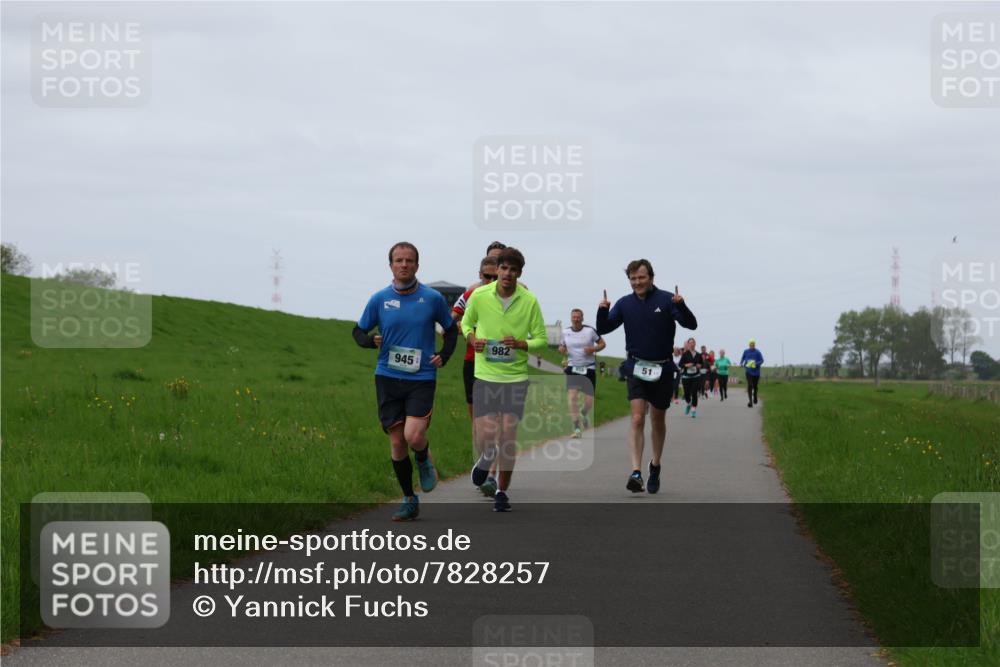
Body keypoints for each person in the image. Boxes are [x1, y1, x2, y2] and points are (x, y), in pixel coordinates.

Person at [353, 242, 458, 521]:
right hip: (387, 376)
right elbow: (358, 331)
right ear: (391, 265)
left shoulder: (433, 298)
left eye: (409, 261)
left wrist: (443, 356)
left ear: (417, 266)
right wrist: (368, 341)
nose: (404, 265)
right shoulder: (379, 299)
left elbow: (450, 331)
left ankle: (423, 456)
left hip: (421, 377)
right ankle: (409, 499)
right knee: (398, 443)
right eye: (398, 260)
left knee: (413, 435)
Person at [597, 259, 697, 494]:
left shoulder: (666, 300)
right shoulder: (624, 303)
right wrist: (602, 310)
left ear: (651, 277)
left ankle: (655, 464)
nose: (637, 282)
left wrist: (681, 305)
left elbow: (690, 325)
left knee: (657, 420)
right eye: (633, 279)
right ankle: (635, 471)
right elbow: (603, 328)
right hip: (636, 367)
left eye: (641, 277)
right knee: (637, 418)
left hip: (663, 368)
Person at [462, 247, 546, 512]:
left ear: (519, 274)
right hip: (486, 374)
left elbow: (542, 339)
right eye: (504, 268)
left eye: (513, 270)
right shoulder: (480, 296)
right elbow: (466, 324)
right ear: (497, 270)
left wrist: (522, 344)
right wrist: (472, 339)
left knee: (508, 436)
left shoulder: (529, 300)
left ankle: (501, 490)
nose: (508, 274)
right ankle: (486, 457)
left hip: (515, 376)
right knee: (487, 433)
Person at [452, 255, 498, 496]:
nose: (491, 280)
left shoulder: (516, 293)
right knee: (478, 424)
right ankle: (483, 464)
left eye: (495, 275)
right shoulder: (471, 293)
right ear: (480, 274)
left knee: (496, 423)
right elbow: (453, 318)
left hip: (500, 365)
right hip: (473, 362)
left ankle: (491, 475)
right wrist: (464, 331)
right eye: (486, 276)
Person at [558, 308, 606, 438]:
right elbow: (561, 346)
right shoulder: (565, 332)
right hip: (573, 367)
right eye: (574, 317)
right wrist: (561, 349)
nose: (576, 319)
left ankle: (584, 413)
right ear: (571, 318)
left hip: (588, 368)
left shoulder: (590, 331)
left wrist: (593, 349)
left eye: (578, 317)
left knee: (589, 402)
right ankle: (577, 428)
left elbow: (602, 344)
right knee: (572, 398)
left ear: (582, 318)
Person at [679, 338, 703, 417]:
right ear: (688, 344)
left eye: (693, 342)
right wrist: (686, 365)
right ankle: (689, 403)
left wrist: (699, 366)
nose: (692, 344)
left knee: (694, 392)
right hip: (686, 376)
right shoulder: (685, 354)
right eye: (690, 343)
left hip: (696, 376)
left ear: (695, 344)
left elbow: (701, 364)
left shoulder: (698, 355)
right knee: (686, 394)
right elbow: (680, 365)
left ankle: (693, 409)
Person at [740, 339, 765, 408]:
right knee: (750, 385)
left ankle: (755, 396)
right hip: (748, 371)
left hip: (756, 372)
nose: (752, 346)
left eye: (753, 345)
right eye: (751, 345)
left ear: (754, 345)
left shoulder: (758, 352)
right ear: (749, 345)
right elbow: (742, 358)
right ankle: (750, 402)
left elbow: (762, 360)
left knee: (755, 386)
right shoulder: (746, 351)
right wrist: (741, 363)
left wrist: (756, 364)